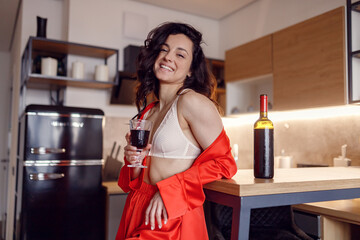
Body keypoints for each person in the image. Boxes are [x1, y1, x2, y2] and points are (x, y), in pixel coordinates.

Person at [116, 22, 237, 240]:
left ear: (191, 69)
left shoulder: (191, 102)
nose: (168, 57)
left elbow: (225, 163)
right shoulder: (148, 113)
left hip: (169, 214)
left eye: (180, 55)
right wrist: (134, 160)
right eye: (164, 49)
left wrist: (170, 192)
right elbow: (135, 178)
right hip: (138, 205)